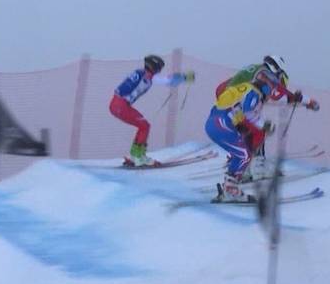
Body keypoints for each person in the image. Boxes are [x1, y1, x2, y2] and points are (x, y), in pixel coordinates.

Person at [205, 65, 317, 201]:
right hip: (221, 124)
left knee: (242, 152)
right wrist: (263, 125)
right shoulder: (255, 93)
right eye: (271, 89)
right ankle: (233, 187)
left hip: (217, 122)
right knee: (244, 154)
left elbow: (237, 108)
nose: (271, 94)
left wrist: (246, 124)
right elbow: (248, 110)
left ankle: (233, 182)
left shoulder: (248, 85)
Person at [110, 54, 194, 167]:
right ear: (155, 67)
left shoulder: (142, 74)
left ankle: (134, 155)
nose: (160, 71)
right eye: (160, 68)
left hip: (117, 104)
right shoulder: (145, 76)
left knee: (143, 126)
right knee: (145, 126)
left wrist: (181, 78)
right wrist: (184, 77)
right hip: (121, 105)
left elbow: (165, 80)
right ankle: (139, 157)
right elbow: (167, 80)